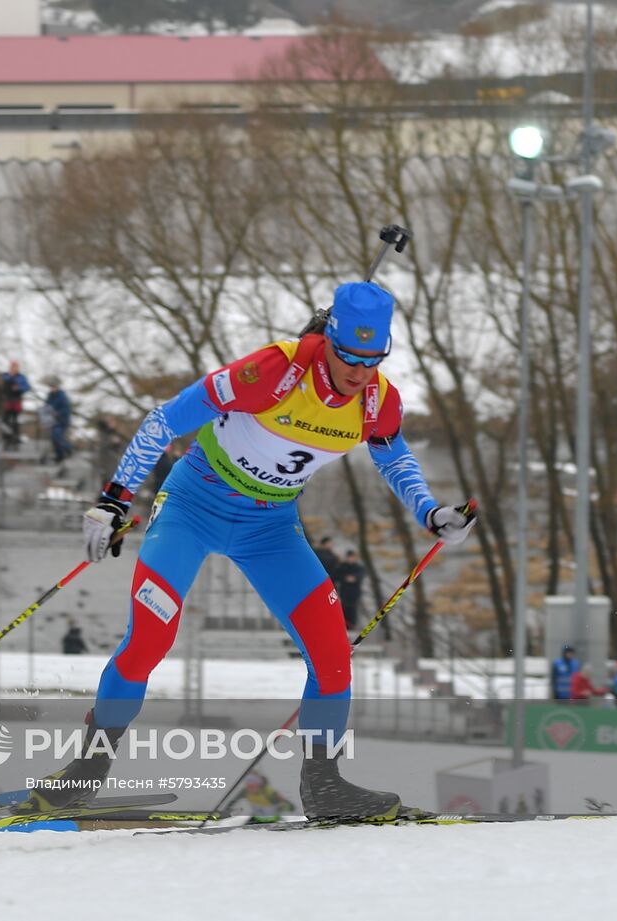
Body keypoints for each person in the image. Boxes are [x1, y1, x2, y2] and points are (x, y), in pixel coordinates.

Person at [48, 281, 477, 819]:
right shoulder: (275, 370)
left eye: (374, 360)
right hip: (191, 508)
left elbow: (392, 456)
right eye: (349, 358)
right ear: (331, 342)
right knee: (150, 639)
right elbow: (164, 419)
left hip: (269, 526)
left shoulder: (377, 399)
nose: (360, 373)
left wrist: (430, 512)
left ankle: (324, 786)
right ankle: (85, 772)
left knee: (331, 652)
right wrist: (113, 501)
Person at [334, 549, 366, 630]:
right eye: (349, 557)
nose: (351, 559)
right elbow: (336, 576)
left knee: (353, 609)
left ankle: (352, 626)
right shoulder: (342, 566)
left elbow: (361, 574)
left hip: (355, 592)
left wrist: (354, 578)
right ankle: (344, 627)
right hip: (344, 592)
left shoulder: (358, 567)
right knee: (343, 609)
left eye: (352, 557)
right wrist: (345, 578)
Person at [44, 376, 73, 464]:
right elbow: (47, 407)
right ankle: (59, 456)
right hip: (53, 421)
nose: (52, 388)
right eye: (51, 387)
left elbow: (67, 409)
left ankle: (69, 449)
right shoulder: (49, 396)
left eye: (54, 386)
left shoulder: (62, 396)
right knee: (54, 438)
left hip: (62, 421)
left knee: (57, 436)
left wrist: (57, 413)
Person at [2, 361, 30, 449]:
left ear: (17, 368)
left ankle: (15, 440)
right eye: (12, 367)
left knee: (15, 422)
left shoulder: (21, 377)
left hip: (16, 402)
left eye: (15, 367)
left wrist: (19, 388)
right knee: (5, 422)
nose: (13, 368)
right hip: (6, 402)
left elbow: (27, 387)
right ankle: (6, 440)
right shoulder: (5, 375)